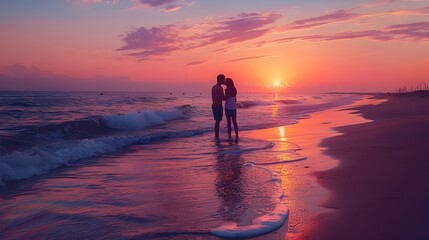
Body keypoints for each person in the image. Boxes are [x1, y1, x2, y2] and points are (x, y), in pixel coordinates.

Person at [211, 74, 226, 138]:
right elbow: (223, 98)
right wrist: (229, 96)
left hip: (214, 105)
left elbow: (213, 97)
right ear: (220, 80)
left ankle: (216, 135)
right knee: (218, 121)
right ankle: (217, 136)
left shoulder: (213, 87)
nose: (224, 81)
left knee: (217, 121)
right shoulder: (220, 88)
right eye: (223, 79)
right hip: (218, 106)